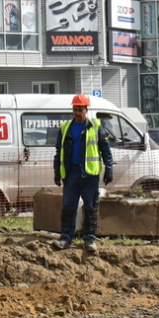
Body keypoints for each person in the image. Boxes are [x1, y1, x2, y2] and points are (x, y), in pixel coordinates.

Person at [53, 94, 113, 253]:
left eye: (80, 109)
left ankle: (89, 238)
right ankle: (66, 237)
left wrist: (109, 168)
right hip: (71, 173)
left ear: (86, 110)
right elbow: (59, 151)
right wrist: (56, 171)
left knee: (91, 206)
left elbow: (105, 150)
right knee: (68, 206)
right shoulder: (66, 128)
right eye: (75, 109)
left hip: (89, 175)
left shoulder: (96, 126)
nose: (77, 112)